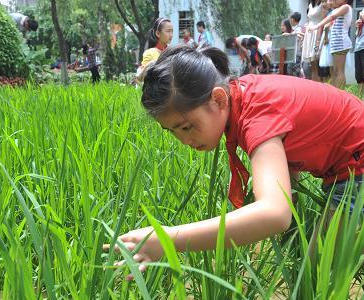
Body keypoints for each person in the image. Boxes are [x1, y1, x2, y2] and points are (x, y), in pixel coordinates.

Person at [104, 45, 364, 278]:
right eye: (172, 131)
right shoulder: (243, 93)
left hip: (356, 164)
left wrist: (169, 239)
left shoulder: (257, 117)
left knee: (316, 269)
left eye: (185, 127)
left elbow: (276, 213)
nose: (183, 140)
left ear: (217, 99)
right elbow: (286, 172)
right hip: (347, 161)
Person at [309, 0, 353, 89]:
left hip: (341, 43)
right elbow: (331, 14)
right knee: (335, 71)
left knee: (339, 71)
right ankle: (335, 92)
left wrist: (316, 26)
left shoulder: (346, 7)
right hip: (335, 44)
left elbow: (332, 17)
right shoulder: (336, 9)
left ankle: (340, 94)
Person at [302, 0, 328, 82]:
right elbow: (309, 20)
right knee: (312, 64)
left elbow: (323, 22)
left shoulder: (323, 4)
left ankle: (320, 88)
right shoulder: (310, 5)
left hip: (317, 32)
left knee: (317, 63)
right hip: (309, 34)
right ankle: (314, 88)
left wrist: (318, 39)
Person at [355, 0, 364, 97]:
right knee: (358, 73)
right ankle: (359, 95)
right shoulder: (362, 10)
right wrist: (357, 24)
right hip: (358, 45)